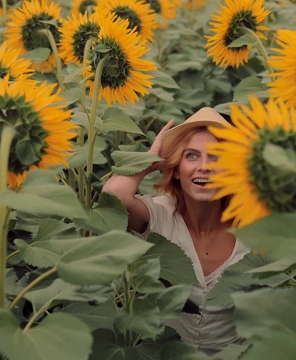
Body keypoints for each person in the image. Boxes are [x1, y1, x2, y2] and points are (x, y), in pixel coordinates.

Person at [102, 107, 250, 355]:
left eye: (216, 157)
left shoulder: (252, 228)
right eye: (191, 156)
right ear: (176, 169)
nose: (204, 167)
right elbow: (113, 197)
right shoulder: (159, 215)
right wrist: (150, 160)